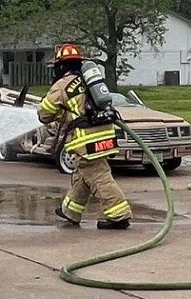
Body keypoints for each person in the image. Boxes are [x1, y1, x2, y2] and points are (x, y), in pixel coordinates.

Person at [38, 43, 133, 230]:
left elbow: (44, 113)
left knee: (98, 175)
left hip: (86, 138)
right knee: (84, 173)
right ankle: (70, 211)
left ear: (60, 66)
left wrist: (56, 113)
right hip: (105, 133)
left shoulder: (62, 85)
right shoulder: (88, 80)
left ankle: (119, 215)